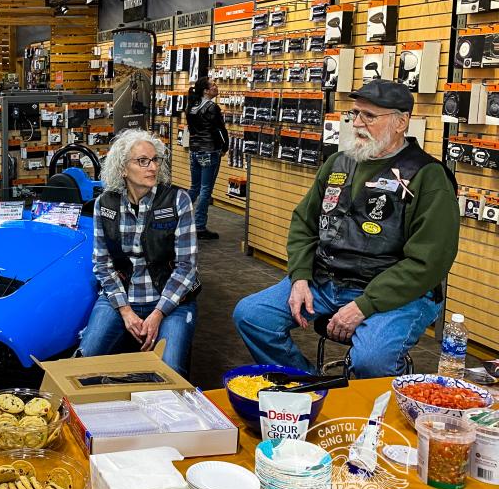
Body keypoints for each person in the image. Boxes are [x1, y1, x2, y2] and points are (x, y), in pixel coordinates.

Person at [233, 81, 460, 377]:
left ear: (401, 122)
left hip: (396, 294)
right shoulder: (339, 163)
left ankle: (391, 391)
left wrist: (365, 305)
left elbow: (429, 261)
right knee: (251, 316)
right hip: (326, 281)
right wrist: (299, 277)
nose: (357, 123)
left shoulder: (427, 176)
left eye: (369, 116)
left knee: (371, 360)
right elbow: (304, 223)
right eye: (355, 114)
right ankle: (309, 383)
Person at [76, 129, 200, 377]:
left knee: (169, 372)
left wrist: (158, 313)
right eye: (142, 161)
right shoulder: (105, 204)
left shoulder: (178, 200)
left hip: (172, 301)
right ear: (123, 168)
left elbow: (187, 266)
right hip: (121, 299)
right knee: (82, 365)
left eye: (155, 160)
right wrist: (125, 310)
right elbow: (102, 263)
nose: (152, 167)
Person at [185, 75, 229, 240]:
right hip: (210, 151)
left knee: (195, 187)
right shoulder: (212, 107)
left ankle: (176, 218)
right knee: (205, 190)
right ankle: (199, 226)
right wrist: (224, 146)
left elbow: (193, 129)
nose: (216, 87)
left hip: (195, 151)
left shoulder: (192, 106)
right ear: (206, 90)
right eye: (213, 85)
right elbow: (220, 129)